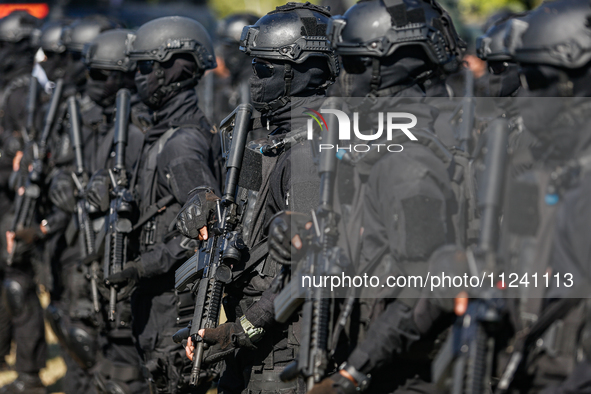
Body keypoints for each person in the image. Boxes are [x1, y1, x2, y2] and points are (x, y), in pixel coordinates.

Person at [177, 3, 339, 393]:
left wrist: (241, 330)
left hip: (283, 347)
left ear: (297, 71)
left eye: (264, 68)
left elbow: (306, 269)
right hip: (248, 339)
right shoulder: (262, 141)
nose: (253, 77)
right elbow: (243, 218)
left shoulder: (309, 152)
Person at [106, 15, 220, 393]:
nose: (138, 77)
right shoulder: (164, 134)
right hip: (159, 298)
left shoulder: (181, 144)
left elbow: (206, 231)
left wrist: (141, 267)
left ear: (173, 70)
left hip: (173, 299)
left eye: (145, 67)